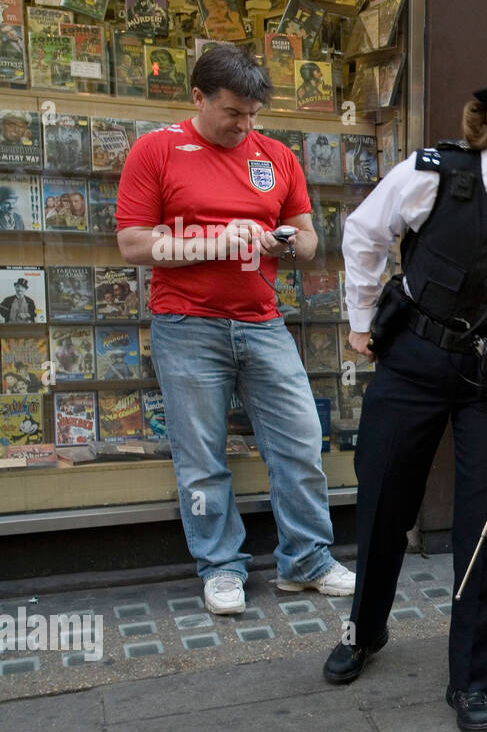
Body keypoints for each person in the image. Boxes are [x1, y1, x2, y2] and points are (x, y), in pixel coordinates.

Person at [323, 53, 487, 732]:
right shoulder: (433, 175)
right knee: (383, 503)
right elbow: (363, 233)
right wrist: (359, 321)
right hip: (411, 363)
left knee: (486, 531)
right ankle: (364, 631)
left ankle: (470, 679)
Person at [115, 44, 353, 616]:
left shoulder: (276, 155)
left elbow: (311, 239)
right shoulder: (157, 150)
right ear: (198, 97)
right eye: (233, 114)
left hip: (263, 322)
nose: (245, 126)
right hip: (186, 324)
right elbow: (132, 243)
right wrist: (217, 243)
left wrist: (286, 244)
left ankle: (308, 562)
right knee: (201, 457)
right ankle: (221, 568)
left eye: (252, 115)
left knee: (299, 444)